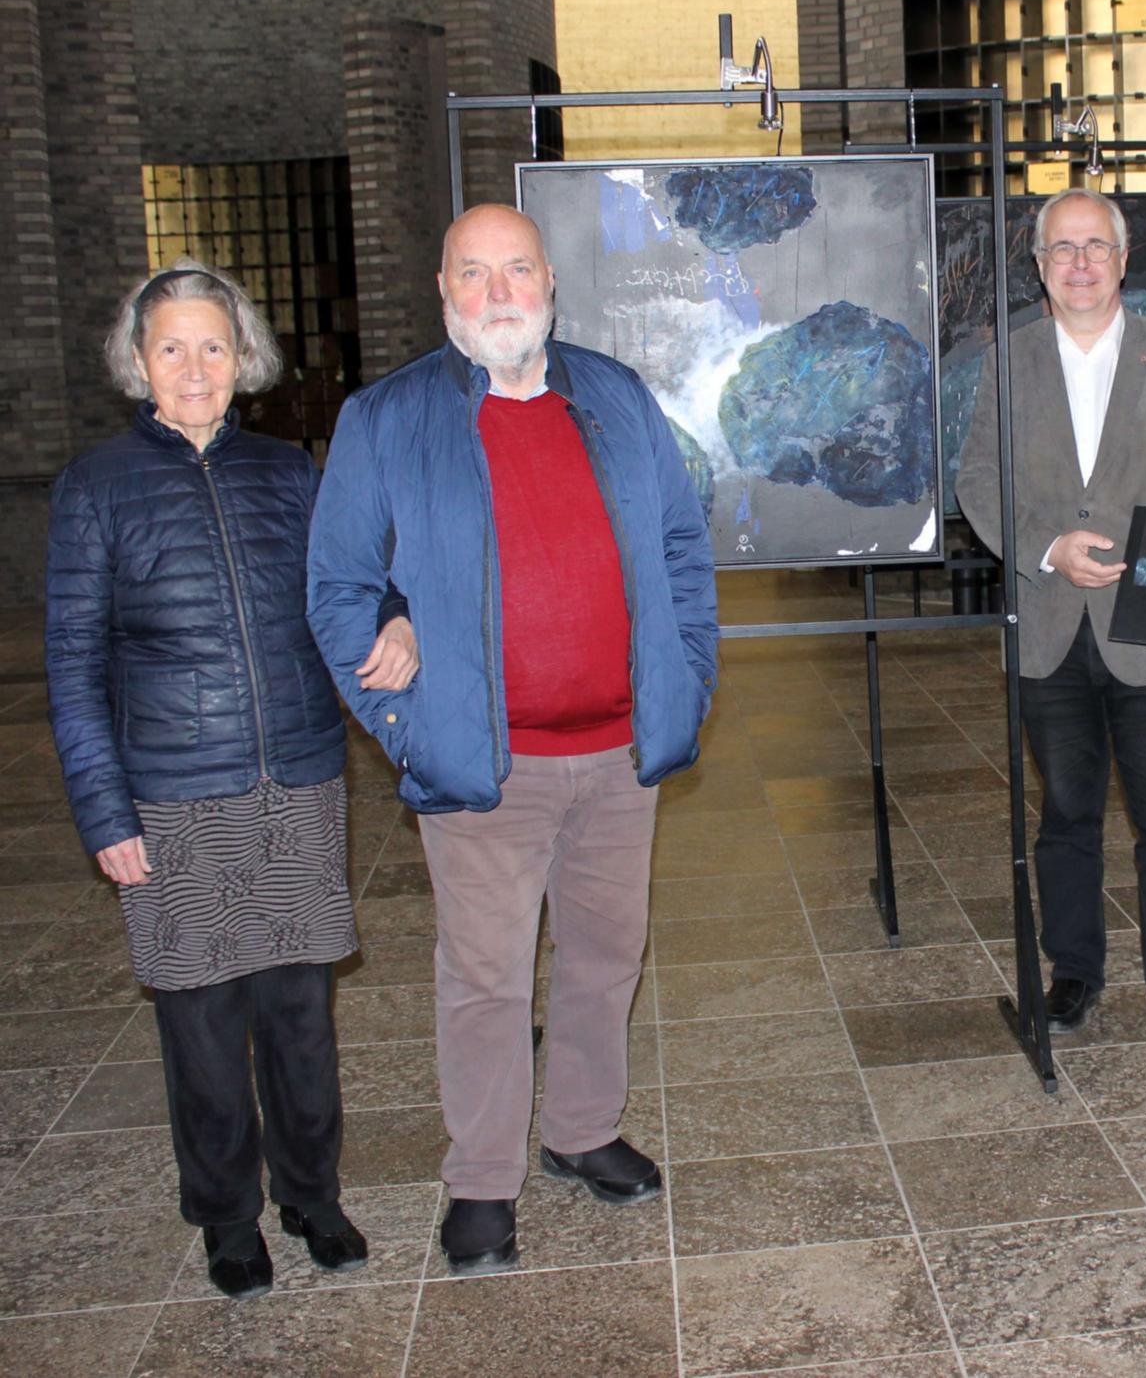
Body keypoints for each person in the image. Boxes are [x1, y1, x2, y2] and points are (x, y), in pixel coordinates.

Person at [307, 205, 719, 1269]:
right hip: (487, 765)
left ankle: (580, 1131)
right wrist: (409, 725)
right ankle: (481, 1181)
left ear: (550, 284)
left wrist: (688, 677)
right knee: (485, 979)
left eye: (517, 271)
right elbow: (338, 588)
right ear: (443, 291)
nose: (498, 294)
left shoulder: (615, 396)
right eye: (474, 274)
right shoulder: (385, 418)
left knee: (603, 956)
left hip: (621, 756)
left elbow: (680, 549)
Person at [46, 261, 417, 1299]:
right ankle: (225, 1214)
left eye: (214, 345)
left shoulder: (288, 474)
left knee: (299, 1012)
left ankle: (311, 1193)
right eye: (172, 347)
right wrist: (102, 811)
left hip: (293, 781)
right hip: (172, 793)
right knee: (202, 1021)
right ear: (138, 362)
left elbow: (352, 577)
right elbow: (73, 669)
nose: (196, 367)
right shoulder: (93, 488)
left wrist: (393, 611)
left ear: (242, 357)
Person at [957, 187, 1146, 1058]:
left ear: (1122, 261)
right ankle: (1072, 970)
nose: (1079, 262)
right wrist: (1047, 548)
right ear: (1039, 267)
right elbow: (979, 482)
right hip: (1049, 629)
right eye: (1061, 248)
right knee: (1067, 815)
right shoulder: (1009, 363)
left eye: (1095, 247)